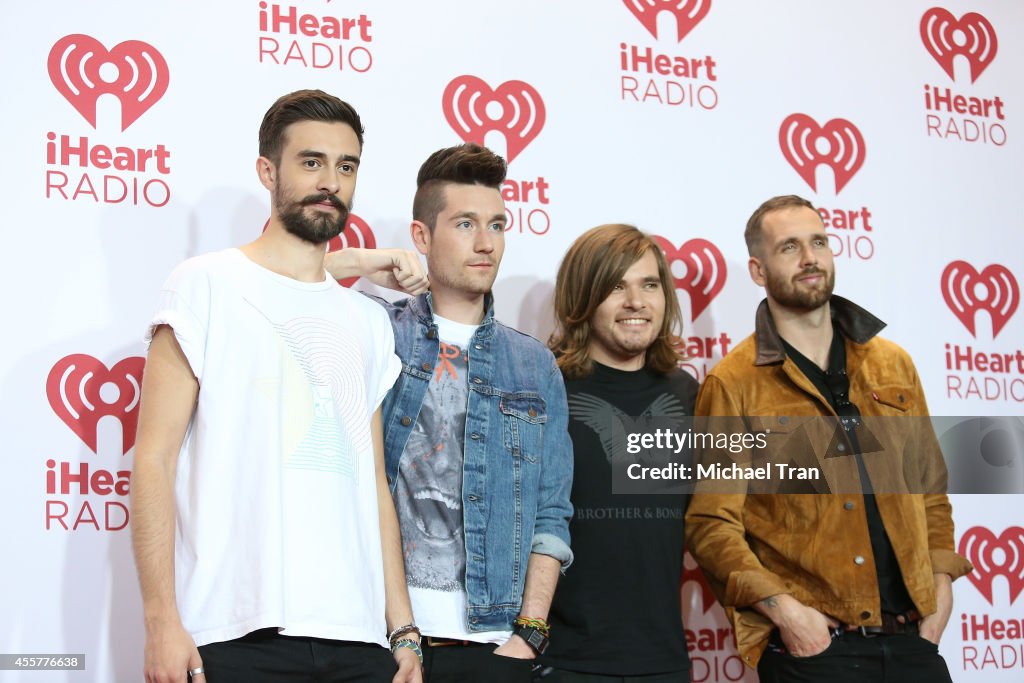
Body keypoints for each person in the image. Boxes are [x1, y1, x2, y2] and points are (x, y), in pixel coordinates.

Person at [131, 90, 421, 683]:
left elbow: (372, 482)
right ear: (268, 171)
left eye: (347, 166)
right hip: (233, 633)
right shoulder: (203, 285)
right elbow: (153, 460)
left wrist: (403, 629)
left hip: (359, 641)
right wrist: (161, 621)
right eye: (311, 162)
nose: (331, 182)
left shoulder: (367, 321)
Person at [684, 195, 972, 682]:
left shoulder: (892, 363)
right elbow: (712, 523)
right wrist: (789, 616)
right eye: (789, 247)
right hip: (817, 655)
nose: (809, 258)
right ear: (758, 269)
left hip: (913, 645)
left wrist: (940, 586)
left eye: (818, 241)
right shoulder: (735, 383)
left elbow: (930, 493)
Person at [327, 143, 573, 682]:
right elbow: (287, 289)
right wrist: (363, 263)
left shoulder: (533, 365)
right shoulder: (377, 330)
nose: (486, 243)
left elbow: (551, 511)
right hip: (380, 633)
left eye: (497, 224)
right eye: (465, 224)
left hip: (491, 641)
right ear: (421, 237)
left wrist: (529, 632)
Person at [537, 224, 698, 682]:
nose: (636, 302)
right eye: (615, 287)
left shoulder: (689, 394)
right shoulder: (546, 390)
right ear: (582, 298)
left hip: (663, 660)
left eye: (649, 285)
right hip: (564, 660)